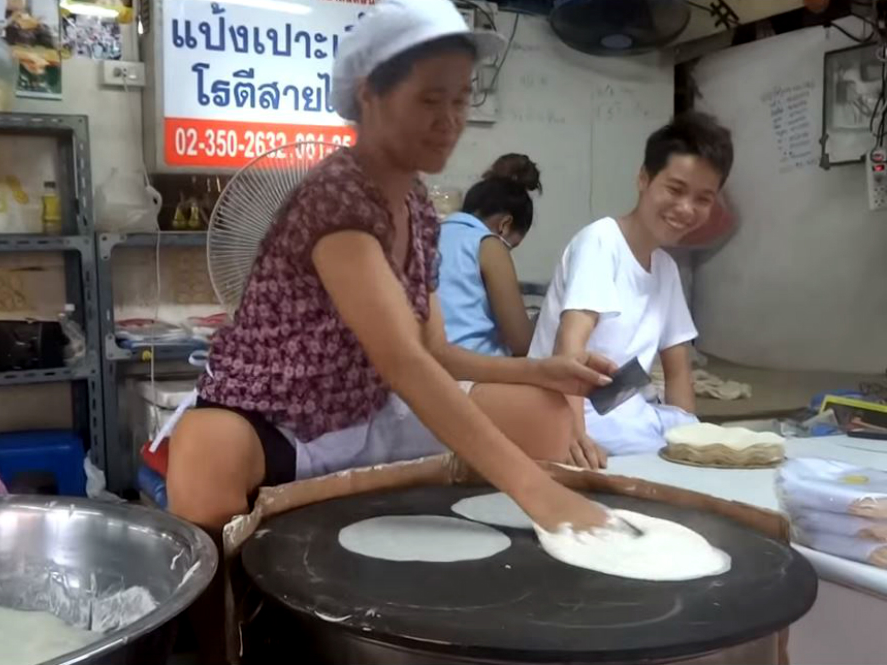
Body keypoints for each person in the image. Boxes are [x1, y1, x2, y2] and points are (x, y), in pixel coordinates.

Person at [166, 0, 616, 539]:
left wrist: (539, 370)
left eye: (460, 98)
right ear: (369, 95)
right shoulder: (336, 195)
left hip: (368, 412)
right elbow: (403, 362)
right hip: (280, 420)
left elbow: (435, 353)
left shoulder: (420, 209)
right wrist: (540, 494)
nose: (450, 120)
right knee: (204, 455)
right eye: (430, 98)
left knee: (542, 412)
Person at [528, 112, 734, 460]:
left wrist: (692, 442)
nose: (686, 208)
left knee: (715, 447)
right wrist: (573, 436)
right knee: (654, 450)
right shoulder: (601, 242)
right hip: (567, 407)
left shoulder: (665, 268)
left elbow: (678, 368)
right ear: (643, 179)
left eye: (703, 198)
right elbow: (569, 347)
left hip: (624, 408)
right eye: (675, 189)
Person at [437, 155, 541, 357]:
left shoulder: (429, 235)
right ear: (504, 225)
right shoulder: (488, 245)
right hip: (471, 369)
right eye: (512, 245)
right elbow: (522, 344)